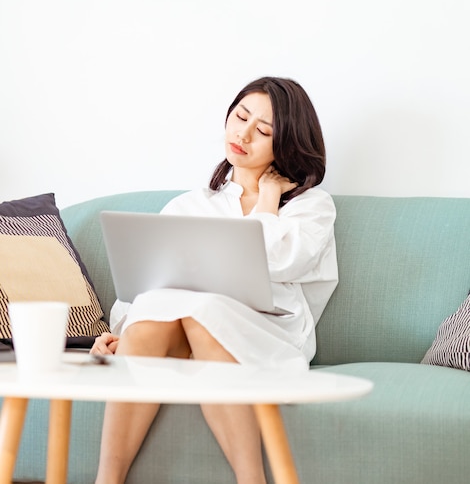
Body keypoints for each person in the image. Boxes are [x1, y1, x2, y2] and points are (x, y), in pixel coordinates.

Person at [92, 76, 338, 484]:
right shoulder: (190, 205)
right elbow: (146, 283)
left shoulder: (310, 206)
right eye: (240, 117)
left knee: (204, 309)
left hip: (271, 332)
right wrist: (123, 330)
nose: (242, 134)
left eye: (262, 130)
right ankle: (107, 480)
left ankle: (250, 479)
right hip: (185, 329)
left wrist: (267, 200)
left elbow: (277, 258)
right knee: (159, 308)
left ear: (288, 143)